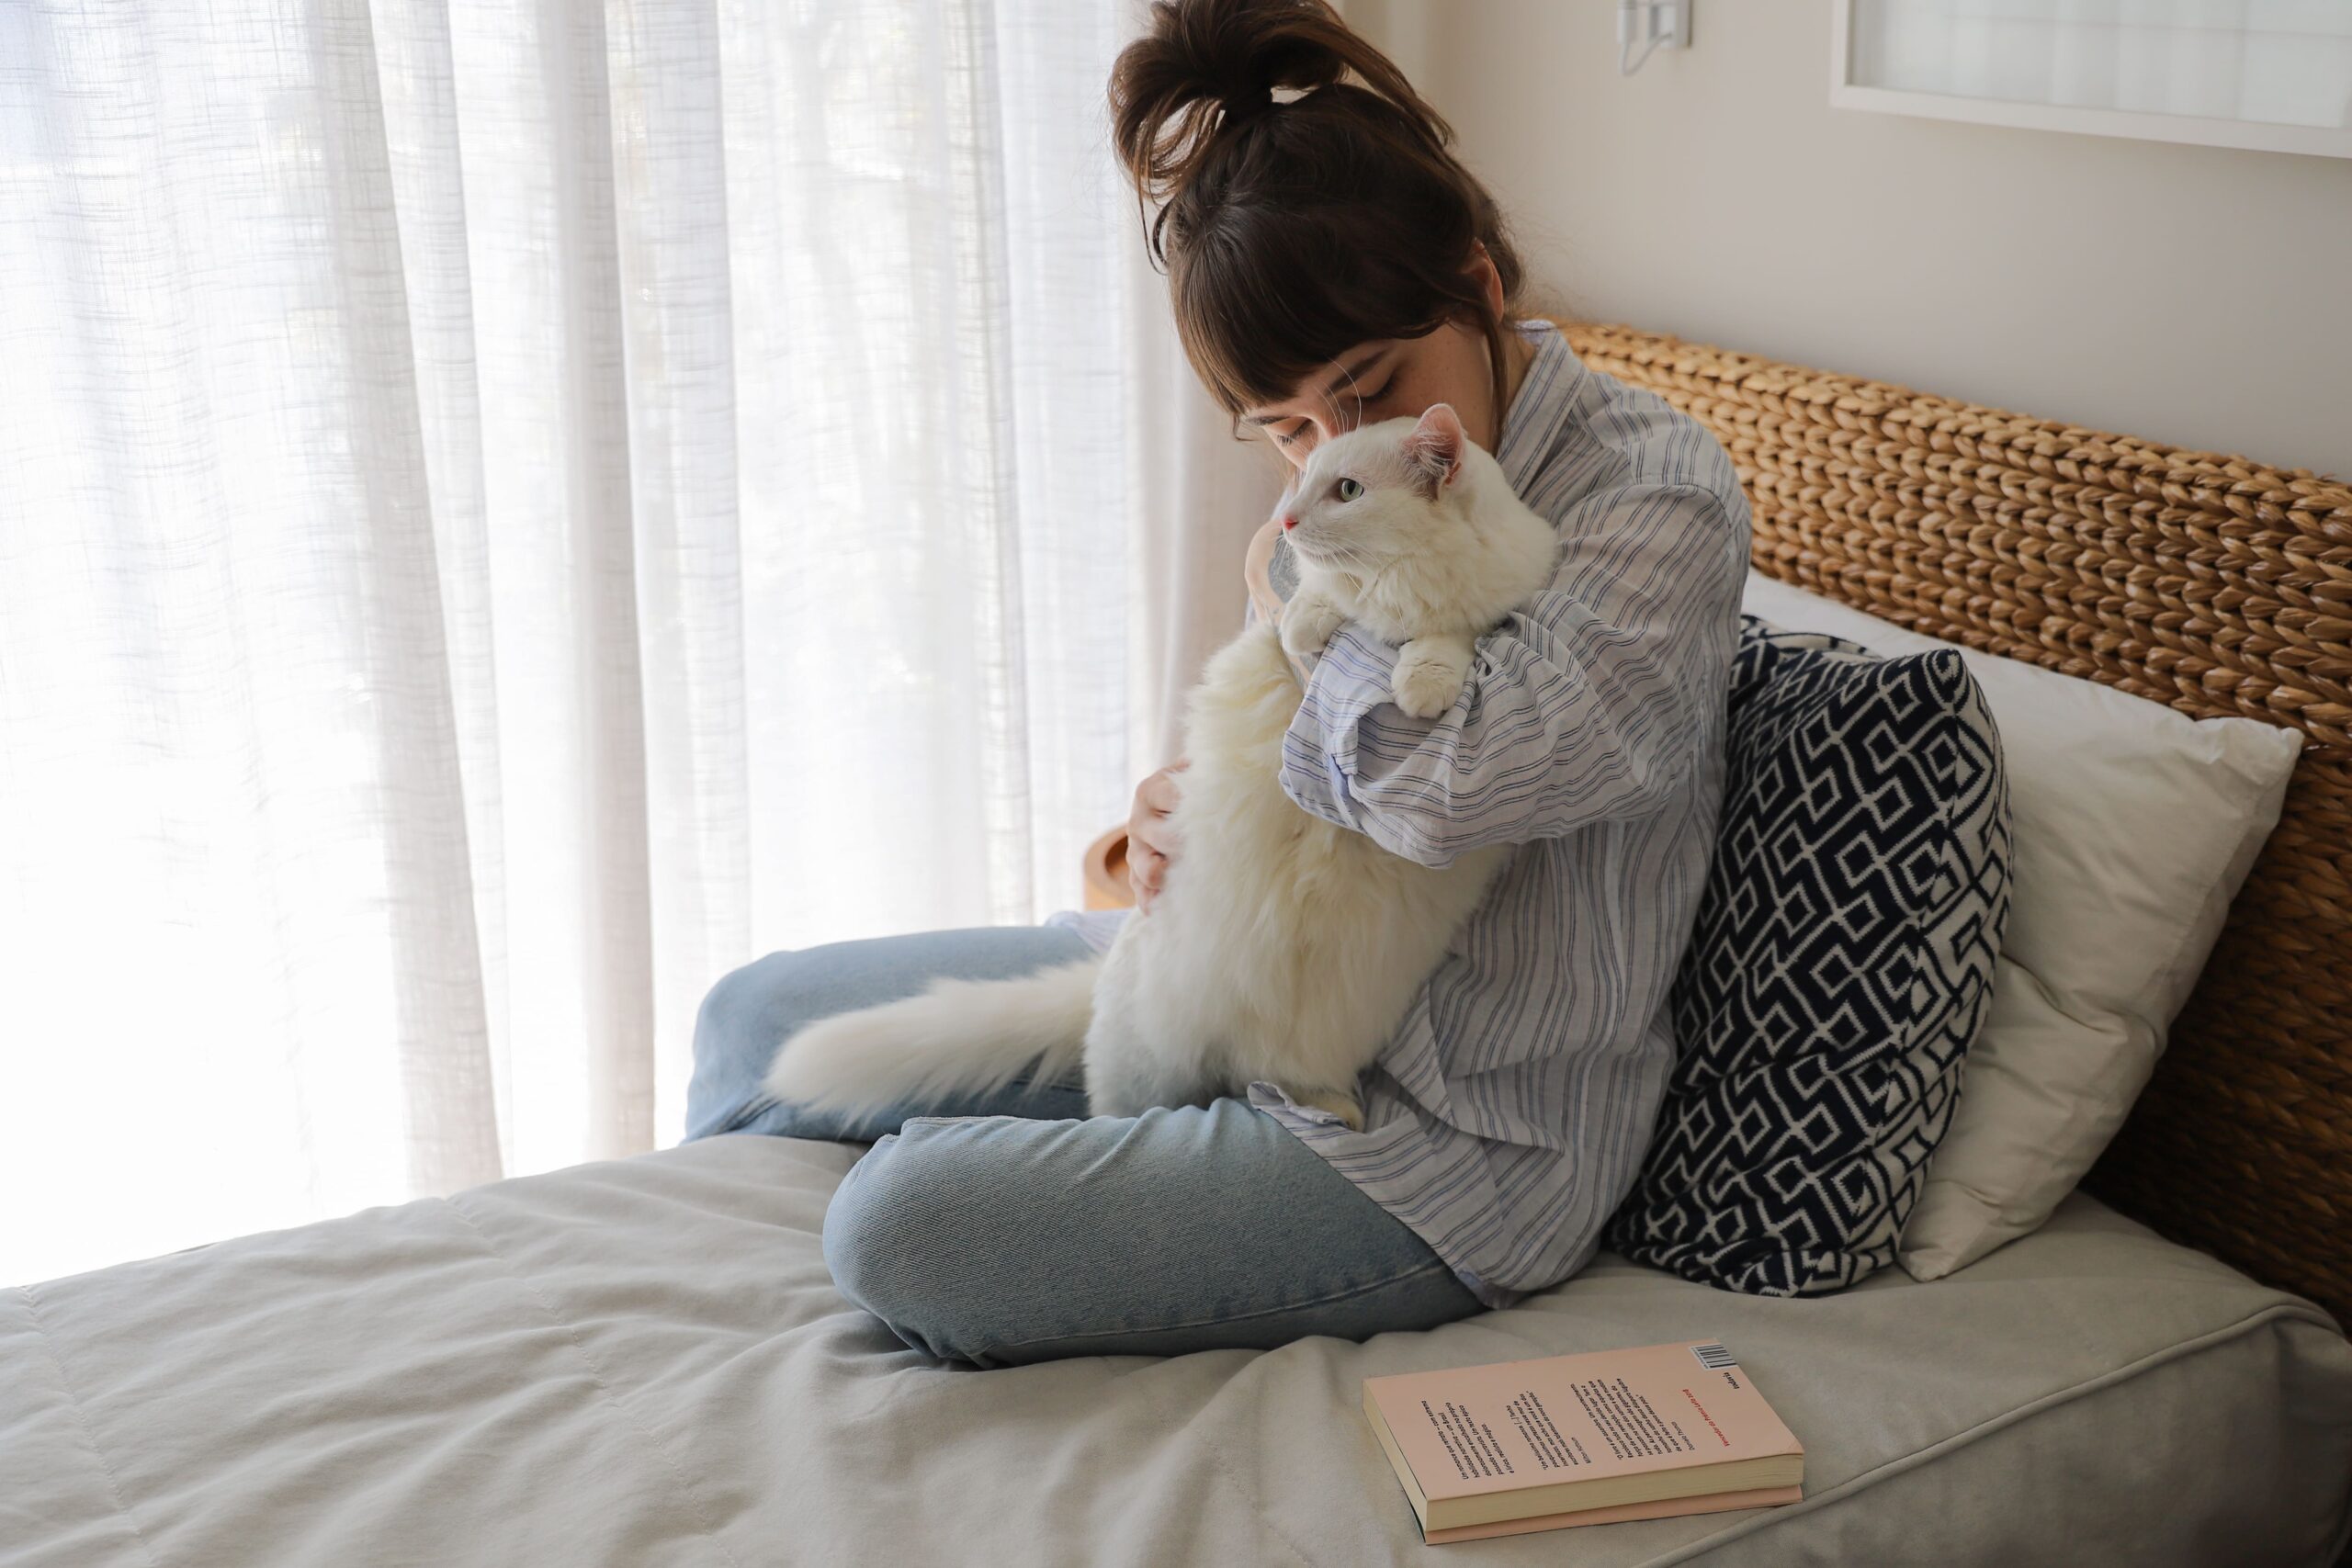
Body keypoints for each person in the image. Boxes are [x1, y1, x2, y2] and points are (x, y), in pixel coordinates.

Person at [683, 0, 1752, 1368]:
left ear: (1479, 288)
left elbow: (1463, 776)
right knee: (756, 1017)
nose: (1323, 458)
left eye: (1368, 389)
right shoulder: (1342, 503)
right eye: (1287, 429)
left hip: (1446, 1143)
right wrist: (1190, 809)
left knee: (907, 1226)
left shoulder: (1654, 499)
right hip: (1239, 978)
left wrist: (1290, 678)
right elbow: (1302, 744)